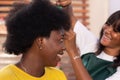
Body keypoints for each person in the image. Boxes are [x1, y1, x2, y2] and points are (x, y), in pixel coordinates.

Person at [0, 0, 71, 80]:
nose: (64, 47)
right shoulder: (6, 77)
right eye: (60, 40)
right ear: (40, 41)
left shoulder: (58, 76)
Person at [57, 0, 120, 80]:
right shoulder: (93, 45)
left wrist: (73, 52)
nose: (107, 30)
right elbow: (71, 21)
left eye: (115, 30)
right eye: (108, 24)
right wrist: (67, 4)